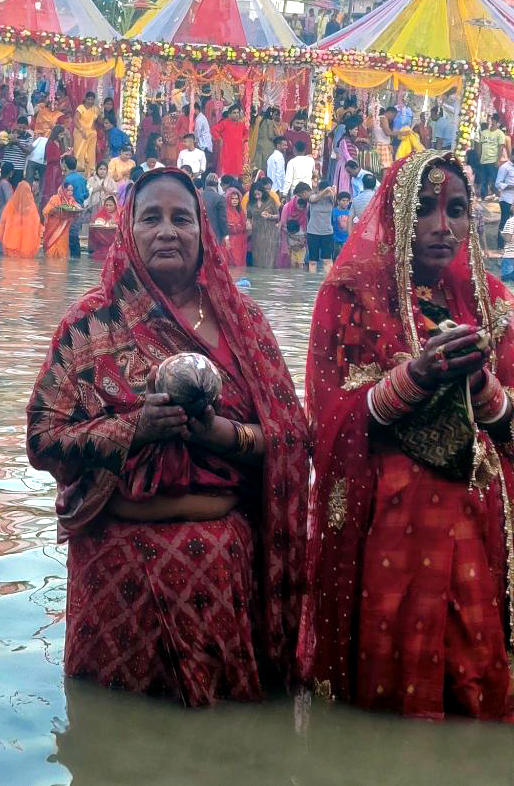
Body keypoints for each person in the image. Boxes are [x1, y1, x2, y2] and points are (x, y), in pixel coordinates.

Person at [26, 169, 309, 706]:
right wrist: (133, 431)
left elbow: (292, 436)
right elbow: (42, 436)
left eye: (182, 218)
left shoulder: (243, 322)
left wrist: (220, 435)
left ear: (204, 232)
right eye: (150, 218)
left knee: (218, 749)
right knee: (109, 744)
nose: (166, 231)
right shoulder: (89, 322)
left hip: (219, 572)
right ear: (127, 230)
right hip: (115, 570)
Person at [303, 150, 514, 721]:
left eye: (456, 210)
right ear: (397, 214)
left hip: (478, 521)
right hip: (390, 524)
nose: (441, 226)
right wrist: (415, 377)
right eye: (424, 208)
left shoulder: (492, 302)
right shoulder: (350, 296)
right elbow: (327, 418)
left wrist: (481, 386)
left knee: (471, 691)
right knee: (387, 696)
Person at [0, 171, 41, 257]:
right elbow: (37, 227)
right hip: (28, 248)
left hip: (10, 246)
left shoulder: (11, 206)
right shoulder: (32, 208)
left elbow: (2, 223)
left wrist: (2, 238)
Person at [41, 180, 83, 257]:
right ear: (63, 190)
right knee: (51, 250)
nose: (70, 192)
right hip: (53, 228)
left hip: (64, 229)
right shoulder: (55, 198)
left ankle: (61, 266)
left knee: (62, 252)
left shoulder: (71, 200)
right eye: (68, 190)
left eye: (72, 190)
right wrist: (55, 209)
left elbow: (77, 209)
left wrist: (77, 211)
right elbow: (46, 211)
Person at [304, 186, 337, 273]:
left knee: (327, 260)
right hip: (312, 233)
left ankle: (327, 282)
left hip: (327, 233)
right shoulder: (313, 197)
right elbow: (315, 198)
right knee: (313, 261)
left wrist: (332, 190)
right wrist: (326, 190)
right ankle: (312, 283)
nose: (326, 194)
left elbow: (334, 197)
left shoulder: (330, 200)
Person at [280, 182, 310, 269]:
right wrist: (293, 238)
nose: (301, 209)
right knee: (290, 263)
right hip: (288, 237)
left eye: (303, 207)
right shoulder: (287, 207)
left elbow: (306, 226)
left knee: (301, 263)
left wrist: (302, 240)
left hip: (301, 241)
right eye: (299, 206)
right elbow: (283, 224)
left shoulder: (306, 208)